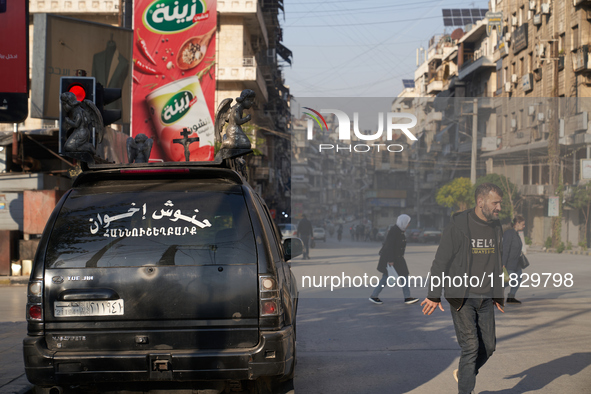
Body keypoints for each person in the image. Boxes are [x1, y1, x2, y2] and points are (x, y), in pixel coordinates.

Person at [421, 183, 505, 394]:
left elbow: (496, 261)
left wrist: (497, 293)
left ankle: (464, 374)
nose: (499, 208)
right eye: (495, 203)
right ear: (480, 202)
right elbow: (440, 262)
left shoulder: (496, 226)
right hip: (462, 297)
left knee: (489, 347)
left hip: (486, 297)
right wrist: (433, 295)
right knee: (471, 347)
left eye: (500, 203)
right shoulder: (458, 227)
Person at [369, 214, 419, 305]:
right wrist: (391, 260)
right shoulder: (394, 230)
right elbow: (390, 246)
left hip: (398, 259)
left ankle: (407, 297)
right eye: (408, 223)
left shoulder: (400, 230)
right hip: (393, 259)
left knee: (403, 276)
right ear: (403, 222)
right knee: (387, 278)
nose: (408, 225)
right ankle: (374, 296)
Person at [502, 215, 526, 304]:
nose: (524, 226)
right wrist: (503, 264)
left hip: (516, 263)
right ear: (517, 223)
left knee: (518, 278)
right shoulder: (509, 233)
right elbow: (505, 249)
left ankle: (511, 297)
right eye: (522, 224)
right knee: (509, 280)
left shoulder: (516, 234)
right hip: (509, 264)